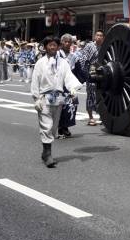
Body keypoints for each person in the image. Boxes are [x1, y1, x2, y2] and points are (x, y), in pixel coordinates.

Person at [31, 36, 82, 167]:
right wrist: (36, 98)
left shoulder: (63, 63)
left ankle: (45, 151)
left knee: (53, 127)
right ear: (45, 47)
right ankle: (48, 155)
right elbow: (35, 80)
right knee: (46, 126)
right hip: (44, 98)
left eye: (55, 45)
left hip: (58, 98)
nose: (52, 47)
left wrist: (73, 89)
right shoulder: (40, 63)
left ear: (58, 47)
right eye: (50, 45)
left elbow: (68, 77)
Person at [74, 30, 104, 125]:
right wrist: (85, 73)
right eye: (97, 35)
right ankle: (90, 117)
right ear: (95, 37)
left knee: (102, 94)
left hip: (103, 72)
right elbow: (83, 59)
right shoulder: (89, 46)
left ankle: (102, 116)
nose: (99, 37)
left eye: (101, 35)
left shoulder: (104, 46)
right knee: (91, 94)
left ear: (103, 37)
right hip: (91, 71)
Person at [57, 34, 78, 139]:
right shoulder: (56, 54)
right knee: (59, 106)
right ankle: (59, 126)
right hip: (58, 84)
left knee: (73, 103)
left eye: (70, 42)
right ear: (62, 42)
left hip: (70, 84)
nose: (68, 43)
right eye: (66, 41)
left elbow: (77, 71)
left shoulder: (73, 56)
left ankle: (65, 126)